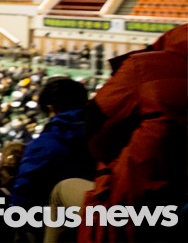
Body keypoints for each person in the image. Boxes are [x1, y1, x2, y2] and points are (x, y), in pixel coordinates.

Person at [69, 24, 187, 243]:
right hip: (175, 198)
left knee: (61, 191)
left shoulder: (143, 66)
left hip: (134, 202)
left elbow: (96, 125)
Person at [9, 77, 95, 242]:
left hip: (63, 223)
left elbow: (22, 195)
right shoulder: (105, 128)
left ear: (51, 108)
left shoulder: (46, 144)